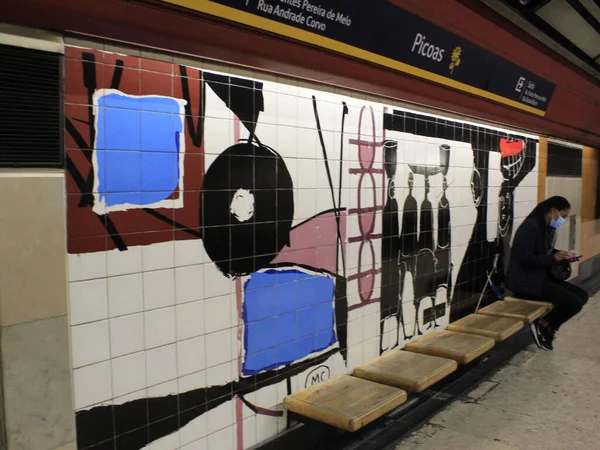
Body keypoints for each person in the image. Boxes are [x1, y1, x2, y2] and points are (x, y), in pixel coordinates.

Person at [506, 196, 588, 350]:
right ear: (552, 211)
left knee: (582, 295)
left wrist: (562, 255)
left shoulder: (548, 229)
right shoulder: (530, 228)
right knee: (573, 303)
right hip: (524, 281)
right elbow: (525, 259)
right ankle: (547, 326)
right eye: (562, 216)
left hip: (540, 277)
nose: (562, 221)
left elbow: (545, 252)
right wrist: (553, 258)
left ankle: (545, 323)